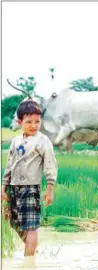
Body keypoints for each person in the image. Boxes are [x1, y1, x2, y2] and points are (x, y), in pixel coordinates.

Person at [2, 100, 58, 256]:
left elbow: (50, 164)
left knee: (30, 226)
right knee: (12, 221)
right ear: (20, 122)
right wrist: (4, 186)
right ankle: (31, 247)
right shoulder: (16, 141)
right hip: (14, 186)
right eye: (29, 122)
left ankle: (29, 260)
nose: (34, 125)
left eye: (37, 121)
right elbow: (9, 164)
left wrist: (50, 188)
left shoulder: (42, 141)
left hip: (30, 188)